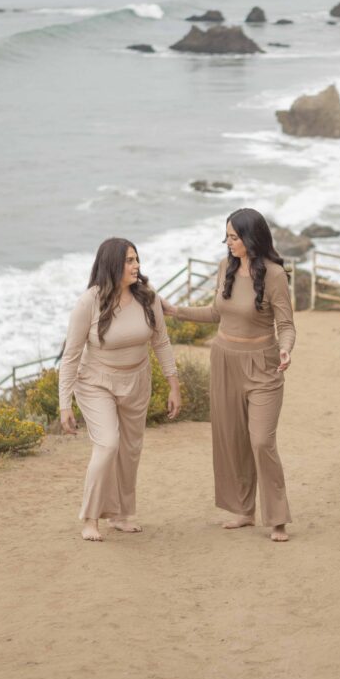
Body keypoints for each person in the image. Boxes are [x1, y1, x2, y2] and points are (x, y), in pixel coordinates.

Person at [162, 208, 294, 542]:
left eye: (234, 237)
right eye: (227, 237)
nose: (228, 243)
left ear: (252, 237)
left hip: (263, 365)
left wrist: (286, 349)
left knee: (261, 440)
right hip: (224, 361)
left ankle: (276, 518)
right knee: (232, 440)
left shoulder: (276, 275)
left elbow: (286, 325)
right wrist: (176, 311)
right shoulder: (226, 267)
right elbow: (215, 312)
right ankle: (244, 511)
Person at [59, 237, 181, 541]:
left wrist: (173, 385)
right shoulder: (89, 302)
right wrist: (64, 404)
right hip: (96, 382)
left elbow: (161, 342)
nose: (136, 265)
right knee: (108, 444)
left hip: (137, 380)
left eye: (136, 259)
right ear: (112, 264)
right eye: (129, 260)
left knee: (130, 450)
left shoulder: (147, 297)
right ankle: (91, 518)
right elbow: (71, 355)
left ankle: (123, 515)